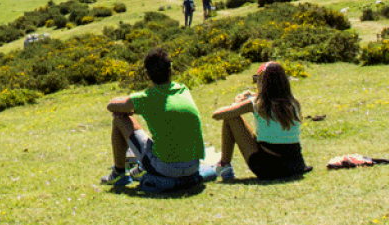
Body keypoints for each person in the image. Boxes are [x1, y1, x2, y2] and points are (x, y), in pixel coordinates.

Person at [102, 46, 205, 191]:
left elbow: (111, 106)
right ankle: (138, 169)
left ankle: (119, 174)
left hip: (167, 168)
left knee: (119, 118)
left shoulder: (147, 98)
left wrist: (127, 105)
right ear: (170, 70)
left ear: (148, 75)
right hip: (194, 166)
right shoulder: (183, 90)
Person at [210, 60, 308, 182]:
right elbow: (272, 95)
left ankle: (224, 165)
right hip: (295, 166)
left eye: (257, 79)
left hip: (267, 168)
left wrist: (237, 103)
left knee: (231, 117)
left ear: (262, 83)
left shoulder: (257, 104)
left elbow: (217, 115)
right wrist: (253, 96)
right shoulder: (293, 102)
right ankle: (224, 165)